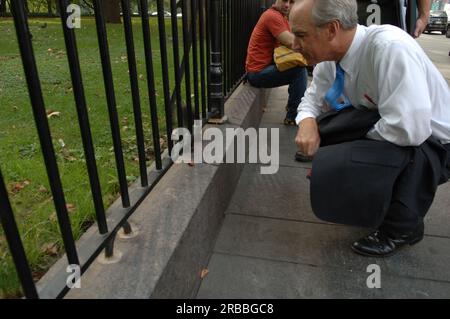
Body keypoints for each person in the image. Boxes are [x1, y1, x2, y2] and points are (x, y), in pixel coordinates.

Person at [290, 0, 450, 257]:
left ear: (332, 29)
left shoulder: (389, 48)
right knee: (329, 127)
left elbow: (410, 130)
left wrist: (345, 156)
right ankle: (377, 198)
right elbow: (312, 100)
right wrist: (307, 122)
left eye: (301, 35)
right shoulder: (330, 61)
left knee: (352, 147)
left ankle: (402, 227)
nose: (295, 44)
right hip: (400, 126)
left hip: (435, 142)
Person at [245, 0, 308, 125]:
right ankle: (293, 115)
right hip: (257, 73)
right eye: (284, 0)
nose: (287, 5)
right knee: (299, 71)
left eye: (291, 2)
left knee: (298, 67)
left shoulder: (280, 16)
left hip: (265, 67)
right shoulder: (272, 16)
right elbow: (291, 42)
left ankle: (292, 106)